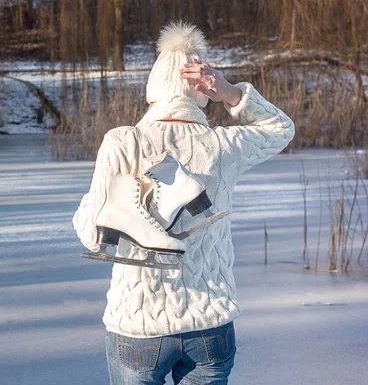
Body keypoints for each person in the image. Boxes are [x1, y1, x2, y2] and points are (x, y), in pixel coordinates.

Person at [72, 21, 295, 384]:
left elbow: (90, 235)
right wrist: (232, 94)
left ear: (155, 89)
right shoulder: (223, 146)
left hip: (139, 323)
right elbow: (281, 129)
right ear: (201, 93)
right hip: (211, 323)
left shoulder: (122, 143)